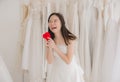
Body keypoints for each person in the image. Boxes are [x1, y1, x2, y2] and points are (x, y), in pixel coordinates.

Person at [45, 12, 84, 82]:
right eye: (50, 22)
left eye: (55, 21)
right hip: (57, 73)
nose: (52, 23)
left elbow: (68, 60)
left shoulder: (69, 39)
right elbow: (50, 61)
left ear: (61, 23)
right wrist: (50, 48)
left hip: (70, 73)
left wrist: (55, 47)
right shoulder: (50, 39)